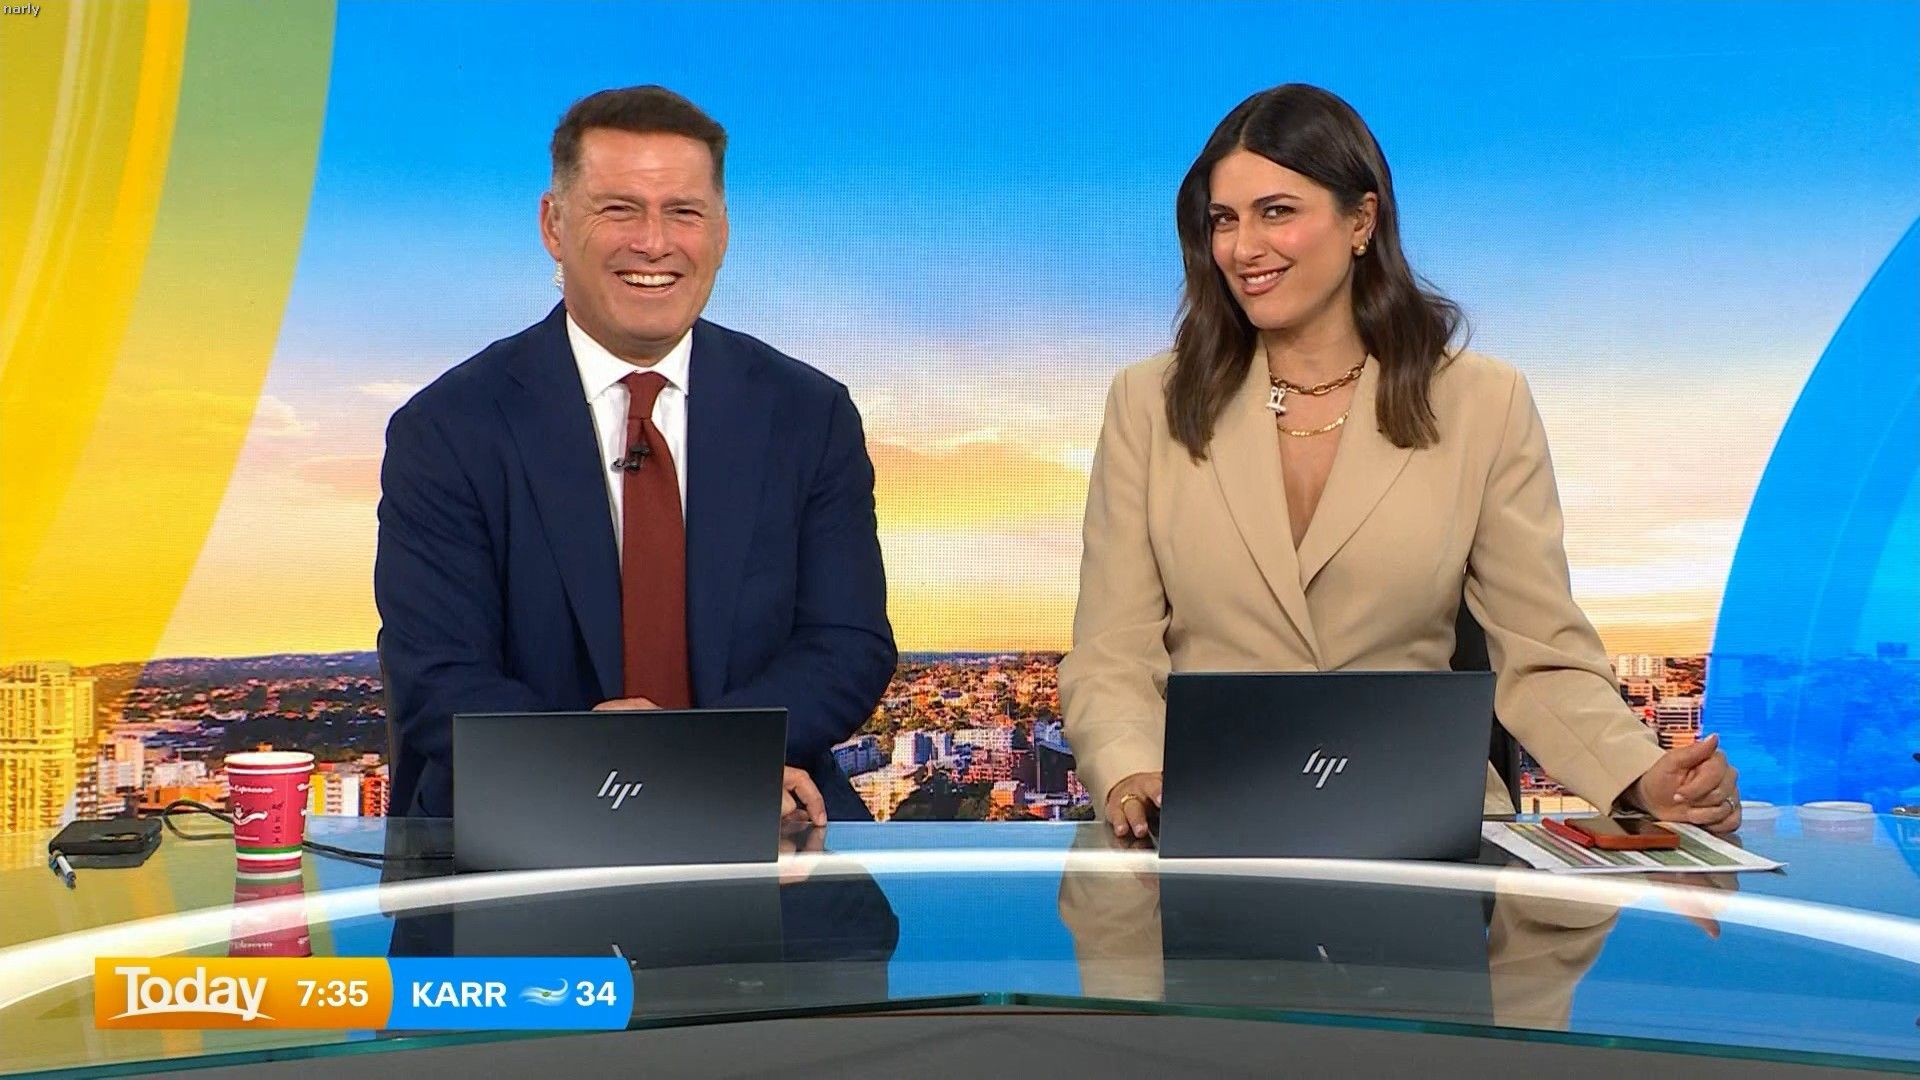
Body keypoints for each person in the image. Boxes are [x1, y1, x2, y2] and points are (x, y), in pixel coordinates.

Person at [1059, 84, 1740, 840]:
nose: (1243, 247)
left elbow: (1540, 656)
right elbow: (1112, 650)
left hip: (1428, 833)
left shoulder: (1483, 402)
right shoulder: (1148, 402)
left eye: (1276, 212)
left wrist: (1639, 773)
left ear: (1362, 220)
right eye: (1224, 219)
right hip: (1213, 823)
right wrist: (1129, 767)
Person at [375, 85, 895, 821]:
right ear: (554, 226)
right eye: (619, 209)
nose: (653, 243)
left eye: (683, 212)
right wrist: (633, 772)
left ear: (721, 233)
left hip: (760, 797)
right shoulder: (448, 428)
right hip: (526, 814)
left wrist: (703, 763)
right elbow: (438, 676)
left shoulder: (809, 414)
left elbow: (847, 643)